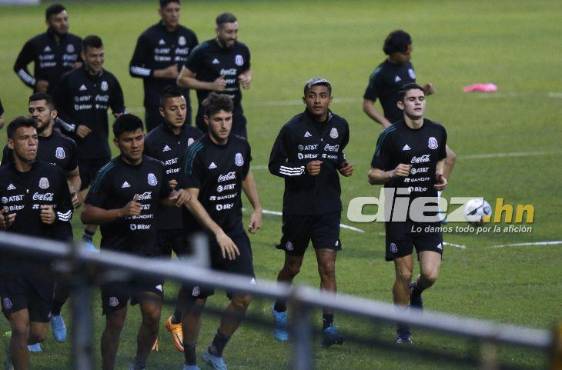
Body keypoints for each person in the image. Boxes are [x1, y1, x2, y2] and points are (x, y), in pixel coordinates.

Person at [81, 114, 189, 370]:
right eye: (128, 140)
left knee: (152, 317)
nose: (135, 144)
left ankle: (138, 365)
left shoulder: (155, 167)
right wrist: (120, 212)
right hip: (116, 257)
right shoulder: (108, 173)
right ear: (117, 142)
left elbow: (161, 196)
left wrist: (175, 197)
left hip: (149, 255)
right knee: (116, 322)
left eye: (139, 138)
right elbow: (87, 213)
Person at [179, 93, 262, 370]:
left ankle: (215, 350)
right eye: (218, 120)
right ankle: (190, 362)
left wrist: (257, 207)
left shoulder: (240, 145)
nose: (224, 125)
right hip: (201, 237)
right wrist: (216, 232)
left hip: (233, 232)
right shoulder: (196, 153)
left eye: (228, 119)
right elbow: (190, 199)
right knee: (198, 300)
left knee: (244, 295)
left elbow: (245, 173)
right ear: (206, 121)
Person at [268, 78, 352, 347]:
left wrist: (342, 165)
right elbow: (274, 165)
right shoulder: (292, 129)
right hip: (298, 209)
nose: (317, 100)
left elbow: (335, 153)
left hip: (328, 208)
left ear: (330, 99)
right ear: (304, 98)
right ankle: (279, 310)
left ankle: (329, 326)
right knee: (293, 266)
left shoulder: (341, 126)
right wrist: (301, 170)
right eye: (312, 95)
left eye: (323, 95)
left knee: (327, 266)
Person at [368, 83, 448, 344]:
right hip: (398, 206)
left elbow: (439, 159)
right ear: (401, 105)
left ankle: (416, 292)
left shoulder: (437, 131)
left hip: (426, 207)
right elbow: (372, 174)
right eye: (412, 99)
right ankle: (403, 332)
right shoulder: (390, 135)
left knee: (430, 274)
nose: (418, 102)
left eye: (421, 98)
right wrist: (391, 174)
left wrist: (440, 177)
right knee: (403, 273)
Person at [1, 93, 81, 346]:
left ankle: (54, 311)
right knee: (22, 325)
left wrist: (68, 200)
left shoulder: (66, 146)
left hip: (56, 233)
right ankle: (18, 322)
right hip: (22, 239)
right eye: (31, 110)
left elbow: (74, 178)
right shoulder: (11, 154)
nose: (35, 114)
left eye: (40, 109)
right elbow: (7, 185)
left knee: (69, 276)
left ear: (53, 114)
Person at [143, 86, 203, 352]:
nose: (179, 113)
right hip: (158, 224)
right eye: (173, 108)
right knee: (156, 282)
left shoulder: (197, 136)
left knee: (195, 279)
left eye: (182, 107)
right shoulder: (151, 141)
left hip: (188, 223)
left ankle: (175, 321)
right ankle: (151, 327)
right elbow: (141, 181)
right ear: (161, 111)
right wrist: (165, 188)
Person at [54, 35, 125, 249]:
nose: (98, 59)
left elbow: (119, 110)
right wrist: (74, 128)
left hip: (101, 148)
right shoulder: (69, 80)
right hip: (76, 150)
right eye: (93, 56)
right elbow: (54, 113)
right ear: (83, 55)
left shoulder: (110, 81)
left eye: (101, 55)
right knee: (74, 195)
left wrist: (122, 122)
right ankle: (58, 234)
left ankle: (86, 239)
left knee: (102, 193)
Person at [362, 30, 455, 180]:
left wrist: (423, 91)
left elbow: (409, 94)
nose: (410, 54)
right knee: (404, 174)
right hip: (398, 129)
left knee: (448, 158)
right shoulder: (381, 74)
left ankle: (432, 198)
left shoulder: (408, 65)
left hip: (417, 125)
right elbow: (367, 104)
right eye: (406, 52)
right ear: (394, 53)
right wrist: (385, 123)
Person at [177, 12, 252, 138]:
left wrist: (247, 77)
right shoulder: (202, 51)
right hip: (210, 115)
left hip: (235, 114)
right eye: (229, 32)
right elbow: (182, 80)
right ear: (218, 31)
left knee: (240, 155)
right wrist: (211, 85)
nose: (233, 36)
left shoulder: (242, 49)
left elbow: (246, 69)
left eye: (235, 31)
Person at [129, 0, 198, 132]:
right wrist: (159, 73)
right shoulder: (148, 37)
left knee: (184, 147)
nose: (174, 14)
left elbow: (198, 67)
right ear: (160, 12)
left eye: (177, 10)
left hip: (182, 105)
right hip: (156, 105)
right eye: (169, 10)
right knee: (156, 148)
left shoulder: (189, 36)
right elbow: (133, 68)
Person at [13, 3, 81, 94]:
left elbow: (91, 66)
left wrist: (83, 67)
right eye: (58, 20)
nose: (63, 23)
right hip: (45, 100)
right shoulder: (36, 43)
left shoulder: (78, 42)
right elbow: (18, 67)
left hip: (70, 98)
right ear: (48, 22)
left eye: (65, 19)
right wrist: (35, 83)